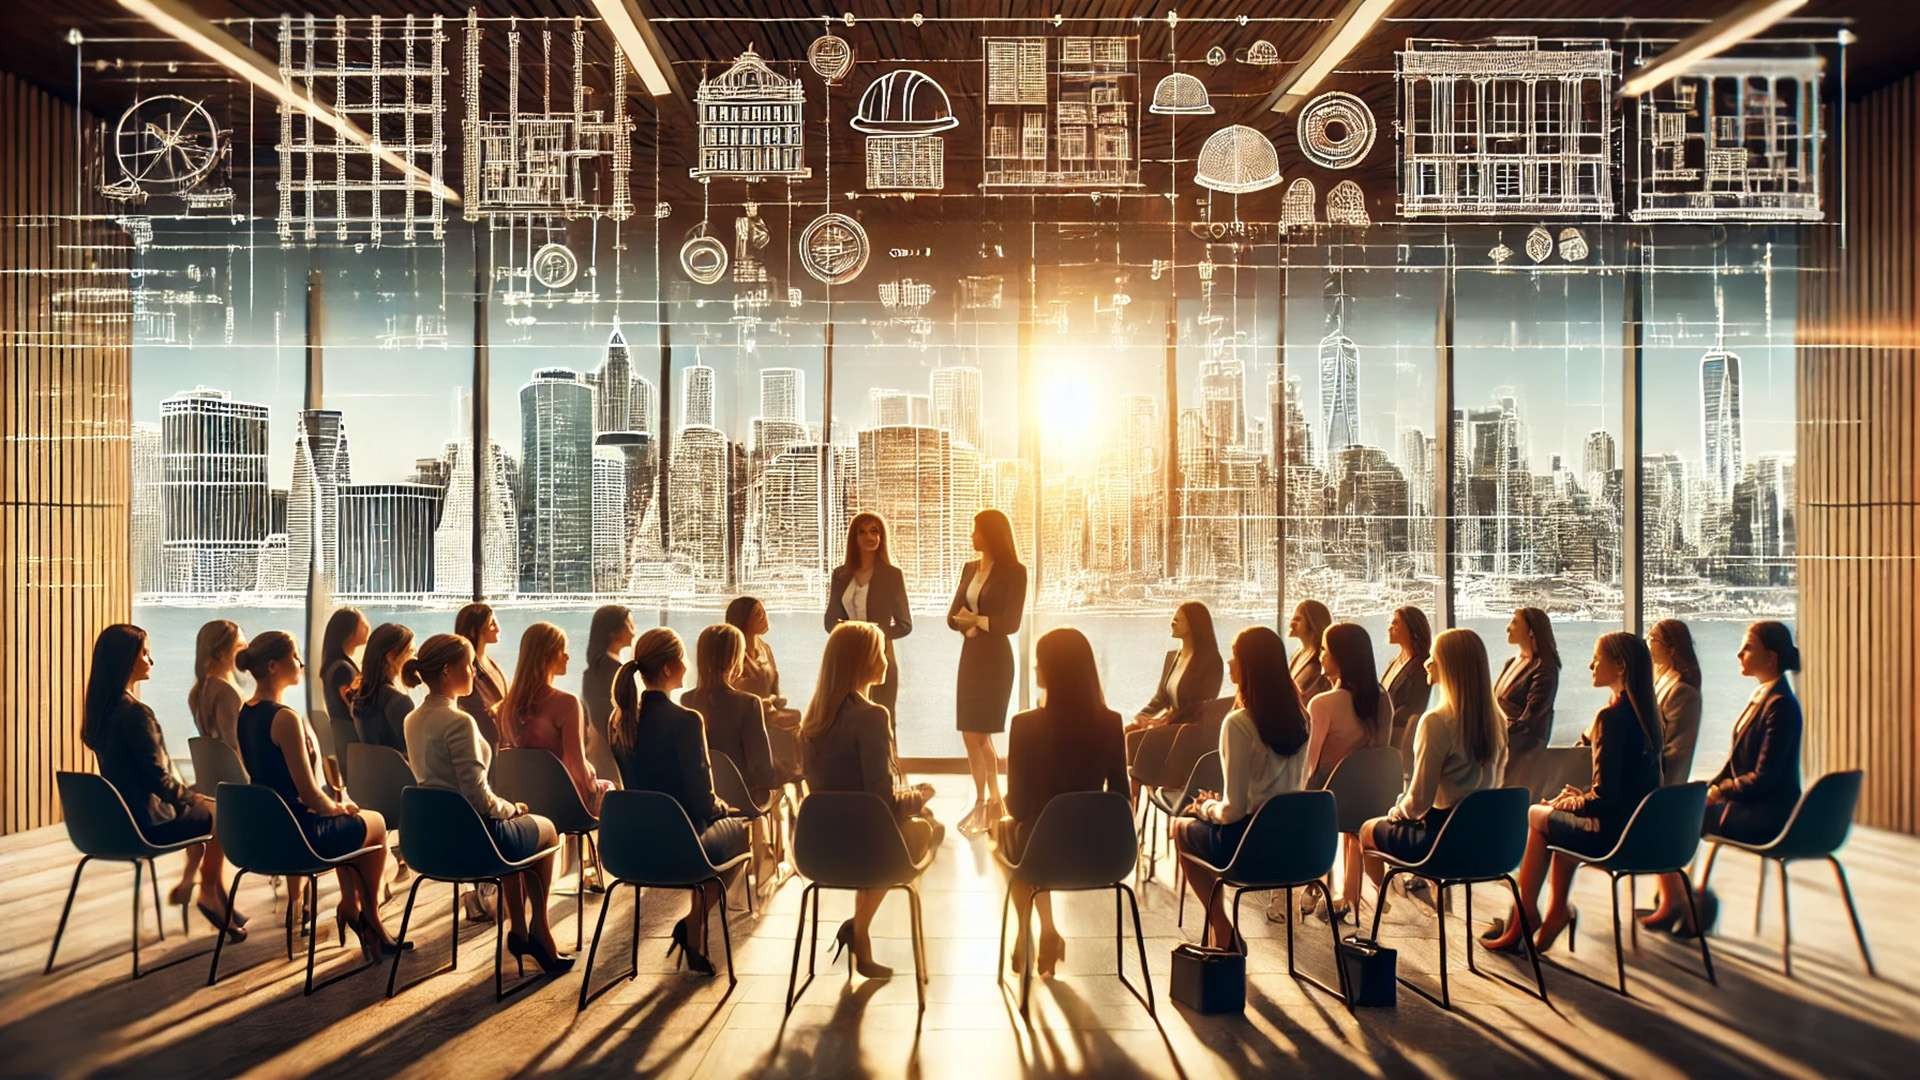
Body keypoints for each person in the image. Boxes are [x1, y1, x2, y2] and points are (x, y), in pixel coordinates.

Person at [1480, 632, 1662, 955]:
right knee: (1558, 823)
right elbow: (1626, 788)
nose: (1590, 665)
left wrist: (1573, 802)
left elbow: (1604, 799)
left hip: (1611, 836)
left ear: (1620, 666)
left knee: (1536, 814)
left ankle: (1526, 915)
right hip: (1640, 832)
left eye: (1597, 658)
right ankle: (1555, 911)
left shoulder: (1610, 718)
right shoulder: (1647, 716)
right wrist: (1579, 798)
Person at [402, 634, 570, 973]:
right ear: (447, 671)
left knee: (512, 830)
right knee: (548, 831)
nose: (474, 673)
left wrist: (504, 810)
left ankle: (520, 930)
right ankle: (537, 930)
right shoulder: (458, 722)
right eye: (469, 666)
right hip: (473, 841)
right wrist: (511, 808)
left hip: (432, 840)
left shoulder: (413, 719)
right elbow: (477, 797)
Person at [233, 632, 404, 960]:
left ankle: (352, 907)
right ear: (273, 666)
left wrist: (335, 808)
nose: (301, 664)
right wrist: (339, 807)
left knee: (352, 825)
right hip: (300, 834)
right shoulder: (284, 718)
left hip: (270, 828)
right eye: (295, 657)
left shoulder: (246, 713)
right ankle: (367, 915)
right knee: (376, 823)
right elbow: (310, 794)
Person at [84, 624, 247, 938]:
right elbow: (157, 779)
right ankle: (209, 893)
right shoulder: (135, 714)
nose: (151, 660)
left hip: (118, 821)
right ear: (125, 659)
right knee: (221, 813)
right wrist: (192, 798)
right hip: (149, 822)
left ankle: (215, 894)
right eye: (144, 653)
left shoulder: (102, 713)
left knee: (208, 806)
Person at [1642, 621, 1803, 936]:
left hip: (1768, 814)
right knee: (1678, 811)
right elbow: (1734, 766)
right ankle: (1678, 900)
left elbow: (1764, 778)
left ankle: (1678, 901)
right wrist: (1707, 788)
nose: (1739, 653)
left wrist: (1719, 791)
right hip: (1756, 804)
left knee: (1673, 819)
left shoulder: (1780, 706)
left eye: (1748, 647)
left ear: (1771, 657)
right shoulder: (1767, 698)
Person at [802, 622, 942, 979]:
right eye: (881, 652)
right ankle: (860, 927)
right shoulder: (873, 716)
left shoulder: (812, 721)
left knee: (893, 826)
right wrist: (919, 796)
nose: (886, 661)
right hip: (867, 846)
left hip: (819, 850)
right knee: (928, 828)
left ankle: (859, 933)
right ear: (863, 661)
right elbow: (881, 804)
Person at [611, 628, 748, 976]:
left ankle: (692, 929)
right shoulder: (686, 721)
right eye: (683, 658)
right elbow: (702, 800)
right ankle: (693, 922)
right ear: (670, 668)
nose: (688, 665)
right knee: (739, 834)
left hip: (633, 847)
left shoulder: (621, 722)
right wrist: (723, 810)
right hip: (683, 847)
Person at [996, 627, 1128, 977]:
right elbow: (1121, 797)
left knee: (1008, 835)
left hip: (1044, 851)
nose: (1035, 668)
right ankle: (1048, 932)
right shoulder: (1111, 722)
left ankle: (1032, 930)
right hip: (1101, 855)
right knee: (1030, 840)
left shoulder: (1024, 725)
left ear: (1052, 670)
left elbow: (1017, 806)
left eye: (1039, 662)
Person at [1171, 626, 1311, 950]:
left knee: (1180, 828)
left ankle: (1222, 928)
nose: (1229, 663)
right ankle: (1221, 932)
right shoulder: (1303, 719)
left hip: (1249, 849)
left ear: (1249, 666)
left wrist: (1205, 807)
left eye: (1235, 656)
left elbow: (1234, 811)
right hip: (1294, 845)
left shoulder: (1239, 723)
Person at [1358, 628, 1507, 910]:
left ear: (1449, 667)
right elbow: (1495, 785)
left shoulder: (1437, 722)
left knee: (1367, 830)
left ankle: (1382, 908)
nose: (1427, 663)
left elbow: (1418, 803)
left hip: (1441, 844)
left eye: (1434, 657)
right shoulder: (1497, 720)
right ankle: (1433, 899)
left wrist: (1396, 811)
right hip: (1484, 841)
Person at [1300, 622, 1393, 922]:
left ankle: (1313, 884)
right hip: (1371, 798)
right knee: (1353, 824)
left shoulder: (1323, 704)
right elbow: (1379, 754)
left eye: (1325, 650)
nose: (1320, 657)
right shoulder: (1382, 699)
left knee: (1308, 792)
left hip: (1326, 801)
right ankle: (1353, 895)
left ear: (1341, 657)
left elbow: (1310, 764)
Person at [683, 623, 786, 879]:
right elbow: (762, 769)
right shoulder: (748, 704)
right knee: (782, 792)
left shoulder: (687, 701)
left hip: (703, 797)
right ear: (734, 659)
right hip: (742, 799)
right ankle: (771, 860)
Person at [948, 508, 1027, 837]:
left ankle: (989, 802)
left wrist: (976, 621)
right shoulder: (969, 568)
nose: (972, 535)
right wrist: (967, 626)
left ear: (992, 534)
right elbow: (952, 615)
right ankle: (988, 800)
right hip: (971, 655)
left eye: (977, 530)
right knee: (970, 733)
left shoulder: (1015, 572)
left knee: (980, 734)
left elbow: (1011, 623)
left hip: (995, 659)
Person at [500, 622, 612, 814]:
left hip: (523, 802)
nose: (568, 656)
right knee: (610, 789)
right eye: (563, 650)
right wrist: (595, 784)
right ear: (547, 656)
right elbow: (576, 765)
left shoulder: (506, 707)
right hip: (563, 802)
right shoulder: (567, 703)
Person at [1125, 601, 1224, 799]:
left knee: (1134, 738)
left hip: (1190, 730)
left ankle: (1139, 795)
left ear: (1193, 625)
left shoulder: (1211, 661)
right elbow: (1161, 697)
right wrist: (1142, 716)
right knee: (1129, 730)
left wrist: (1164, 721)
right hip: (1169, 723)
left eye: (1178, 619)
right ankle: (1132, 801)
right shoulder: (1172, 657)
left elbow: (1202, 705)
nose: (1172, 622)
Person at [827, 513, 913, 719]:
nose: (870, 537)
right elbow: (830, 621)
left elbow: (905, 624)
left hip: (879, 655)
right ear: (854, 538)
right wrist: (850, 636)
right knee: (844, 719)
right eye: (863, 532)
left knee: (882, 718)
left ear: (881, 536)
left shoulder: (892, 575)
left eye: (875, 531)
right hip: (846, 656)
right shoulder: (840, 575)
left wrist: (871, 636)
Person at [726, 596, 803, 782]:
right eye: (758, 614)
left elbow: (775, 685)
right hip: (747, 716)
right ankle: (776, 776)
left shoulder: (765, 649)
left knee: (798, 720)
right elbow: (731, 692)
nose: (764, 617)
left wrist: (776, 700)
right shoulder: (733, 653)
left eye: (764, 612)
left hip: (770, 710)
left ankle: (795, 777)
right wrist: (762, 704)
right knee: (783, 730)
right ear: (743, 620)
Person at [1495, 607, 1561, 790]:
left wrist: (1496, 735)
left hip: (1523, 753)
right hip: (1503, 746)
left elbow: (1532, 717)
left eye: (1515, 623)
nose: (1508, 628)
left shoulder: (1545, 668)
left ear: (1531, 630)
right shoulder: (1511, 663)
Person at [580, 604, 634, 785]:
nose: (633, 632)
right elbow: (605, 718)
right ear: (613, 632)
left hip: (599, 751)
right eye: (629, 625)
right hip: (611, 756)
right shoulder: (614, 671)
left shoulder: (597, 670)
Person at [1648, 619, 1704, 786]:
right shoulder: (1659, 681)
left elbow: (1677, 752)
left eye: (1653, 638)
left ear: (1671, 648)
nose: (1647, 643)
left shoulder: (1682, 692)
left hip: (1662, 786)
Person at [318, 607, 369, 780]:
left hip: (343, 738)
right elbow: (353, 707)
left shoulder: (335, 664)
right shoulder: (343, 668)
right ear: (349, 632)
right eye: (363, 624)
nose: (368, 627)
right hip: (350, 738)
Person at [350, 623, 415, 754]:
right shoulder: (399, 701)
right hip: (401, 768)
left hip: (373, 767)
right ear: (391, 656)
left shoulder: (359, 697)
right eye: (411, 651)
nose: (414, 659)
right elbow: (416, 751)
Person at [454, 603, 510, 748]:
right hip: (486, 746)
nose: (498, 628)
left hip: (503, 742)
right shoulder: (467, 672)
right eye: (492, 624)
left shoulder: (490, 663)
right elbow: (479, 716)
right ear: (474, 631)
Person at [1382, 606, 1434, 756]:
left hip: (1402, 740)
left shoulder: (1423, 666)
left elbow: (1416, 706)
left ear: (1412, 627)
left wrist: (1385, 719)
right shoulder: (1394, 662)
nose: (1389, 628)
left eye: (1395, 623)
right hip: (1386, 733)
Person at [188, 619, 246, 748]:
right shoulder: (225, 691)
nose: (246, 652)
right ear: (221, 654)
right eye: (240, 647)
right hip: (231, 761)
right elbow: (231, 742)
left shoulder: (198, 691)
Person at [1287, 600, 1334, 702]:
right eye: (1292, 618)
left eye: (1297, 619)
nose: (1291, 623)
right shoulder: (1298, 654)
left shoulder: (1321, 659)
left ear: (1313, 622)